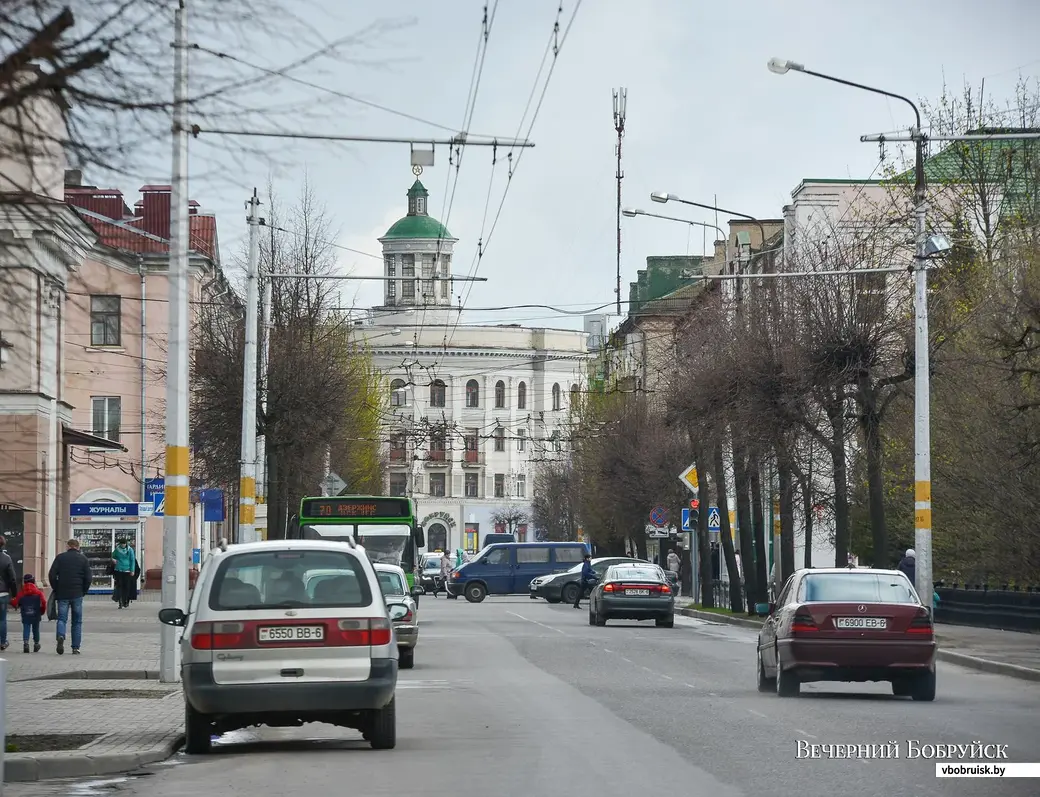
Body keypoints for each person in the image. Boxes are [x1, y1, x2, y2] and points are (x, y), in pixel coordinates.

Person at [48, 538, 92, 655]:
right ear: (78, 547)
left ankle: (61, 635)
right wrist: (84, 591)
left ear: (68, 546)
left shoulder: (60, 558)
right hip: (77, 593)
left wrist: (56, 587)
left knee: (62, 618)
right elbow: (88, 578)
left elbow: (52, 574)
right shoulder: (83, 559)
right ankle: (75, 647)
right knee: (77, 621)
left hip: (62, 593)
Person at [11, 574, 45, 653]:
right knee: (35, 629)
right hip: (36, 614)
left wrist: (15, 604)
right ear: (33, 581)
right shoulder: (38, 593)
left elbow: (15, 602)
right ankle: (36, 643)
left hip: (25, 613)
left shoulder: (21, 593)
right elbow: (43, 602)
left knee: (26, 628)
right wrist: (42, 611)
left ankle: (26, 643)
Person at [0, 535, 19, 652]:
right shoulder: (6, 558)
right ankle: (2, 642)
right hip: (2, 593)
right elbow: (12, 578)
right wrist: (15, 594)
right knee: (2, 619)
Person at [111, 539, 138, 609]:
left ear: (126, 544)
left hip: (127, 570)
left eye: (124, 544)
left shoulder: (130, 550)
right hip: (118, 570)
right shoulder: (117, 549)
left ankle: (125, 601)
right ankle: (120, 602)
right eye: (122, 544)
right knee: (119, 586)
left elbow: (132, 560)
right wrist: (113, 560)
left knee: (126, 587)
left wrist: (132, 570)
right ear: (120, 544)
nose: (123, 545)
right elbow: (113, 556)